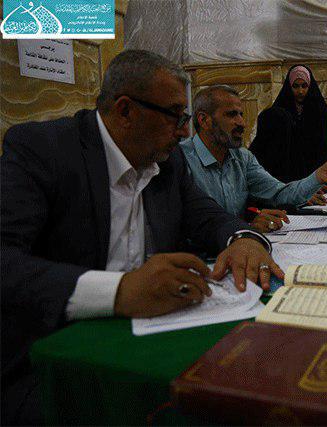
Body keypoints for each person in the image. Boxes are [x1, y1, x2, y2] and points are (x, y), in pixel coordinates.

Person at [1, 50, 282, 424]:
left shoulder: (167, 161)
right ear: (125, 111)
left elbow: (207, 216)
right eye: (175, 116)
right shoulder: (44, 149)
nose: (185, 132)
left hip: (150, 336)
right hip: (51, 360)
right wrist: (119, 291)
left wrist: (244, 238)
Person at [181, 85, 327, 233]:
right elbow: (186, 227)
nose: (242, 123)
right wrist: (247, 227)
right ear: (204, 120)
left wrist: (318, 177)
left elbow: (280, 194)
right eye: (232, 115)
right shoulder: (180, 160)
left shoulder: (242, 158)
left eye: (241, 114)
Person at [250, 64, 327, 183]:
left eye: (304, 86)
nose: (300, 91)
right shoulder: (280, 110)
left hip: (315, 172)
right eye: (295, 86)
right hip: (287, 174)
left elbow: (325, 149)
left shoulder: (321, 111)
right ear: (289, 86)